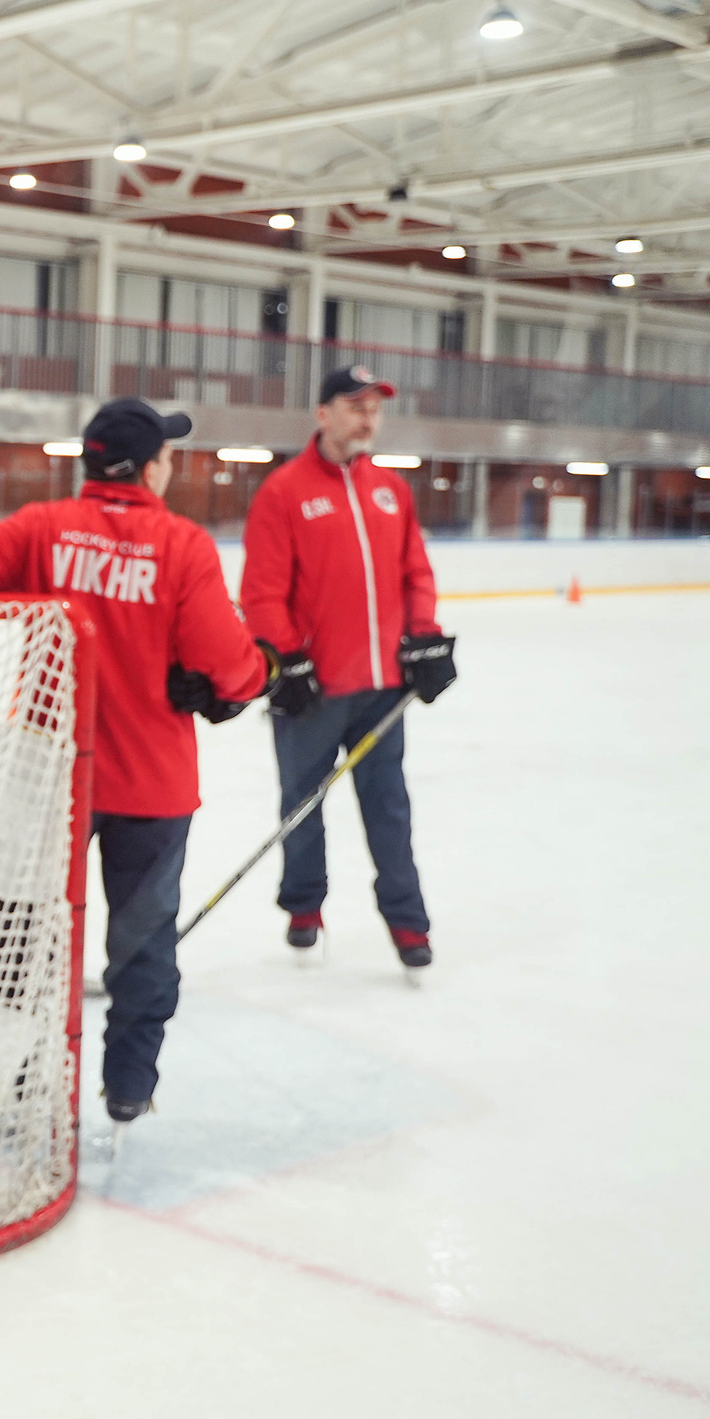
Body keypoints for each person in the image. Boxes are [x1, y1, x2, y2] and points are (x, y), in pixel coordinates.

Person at [0, 396, 274, 1122]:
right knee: (143, 942)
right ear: (150, 465)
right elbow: (230, 667)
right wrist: (257, 673)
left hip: (49, 779)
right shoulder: (183, 545)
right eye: (167, 454)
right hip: (152, 786)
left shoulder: (42, 528)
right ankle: (128, 1087)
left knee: (22, 933)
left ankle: (16, 1081)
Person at [240, 365, 457, 969]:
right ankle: (304, 907)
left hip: (383, 688)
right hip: (316, 690)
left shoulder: (391, 489)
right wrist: (288, 659)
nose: (367, 418)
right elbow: (261, 592)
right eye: (355, 405)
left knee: (390, 808)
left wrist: (425, 639)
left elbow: (416, 572)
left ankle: (408, 923)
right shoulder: (283, 492)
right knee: (302, 804)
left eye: (375, 408)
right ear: (323, 413)